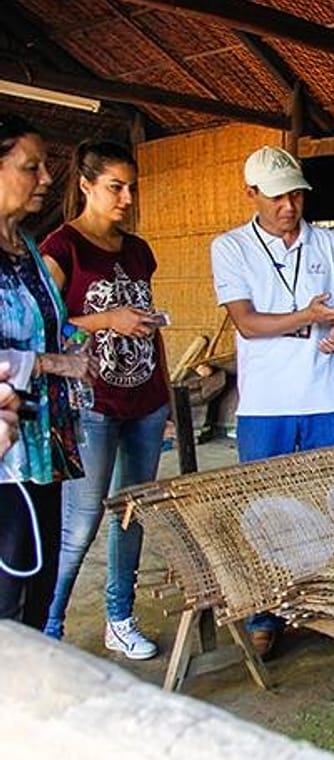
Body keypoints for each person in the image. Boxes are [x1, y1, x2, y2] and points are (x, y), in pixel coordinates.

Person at [210, 145, 334, 656]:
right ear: (250, 194)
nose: (289, 206)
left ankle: (323, 605)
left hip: (326, 399)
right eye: (277, 197)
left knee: (329, 503)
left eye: (296, 195)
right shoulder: (230, 248)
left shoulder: (330, 244)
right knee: (264, 511)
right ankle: (264, 612)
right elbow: (248, 324)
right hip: (264, 406)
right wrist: (307, 316)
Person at [39, 140, 171, 658]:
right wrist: (107, 320)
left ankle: (119, 617)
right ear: (87, 185)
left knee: (131, 513)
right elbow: (46, 325)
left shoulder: (138, 250)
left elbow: (142, 309)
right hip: (91, 404)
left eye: (131, 187)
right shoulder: (61, 248)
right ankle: (48, 628)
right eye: (115, 187)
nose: (127, 197)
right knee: (80, 523)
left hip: (147, 398)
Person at [0, 114, 93, 630]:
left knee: (38, 589)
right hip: (5, 455)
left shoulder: (28, 249)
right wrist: (52, 363)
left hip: (45, 444)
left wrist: (82, 345)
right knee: (6, 598)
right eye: (30, 167)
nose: (46, 179)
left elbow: (47, 326)